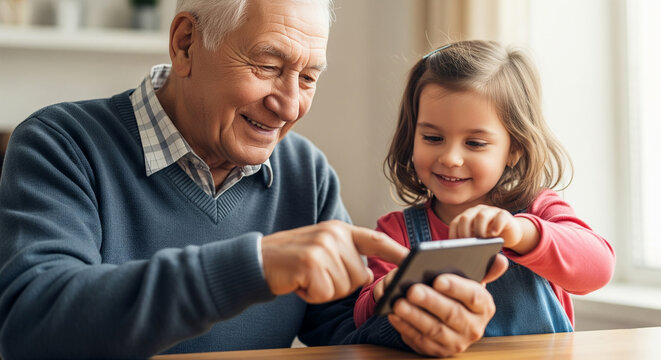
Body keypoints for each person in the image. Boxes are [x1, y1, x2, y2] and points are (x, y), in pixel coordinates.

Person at [0, 2, 509, 359]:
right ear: (185, 44)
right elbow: (32, 323)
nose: (290, 105)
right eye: (267, 66)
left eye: (309, 77)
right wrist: (255, 265)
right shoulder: (61, 143)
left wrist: (417, 324)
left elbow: (341, 330)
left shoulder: (304, 172)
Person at [353, 40, 615, 338]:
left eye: (475, 143)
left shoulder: (539, 209)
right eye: (433, 138)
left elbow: (599, 268)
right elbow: (363, 320)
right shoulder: (396, 232)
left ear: (514, 148)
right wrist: (383, 292)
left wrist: (521, 233)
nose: (450, 158)